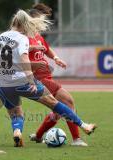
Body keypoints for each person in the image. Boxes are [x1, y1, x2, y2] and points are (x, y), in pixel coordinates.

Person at [0, 9, 96, 147]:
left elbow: (12, 51)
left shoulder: (2, 36)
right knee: (55, 103)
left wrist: (35, 48)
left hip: (2, 83)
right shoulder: (23, 38)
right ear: (25, 24)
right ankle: (83, 125)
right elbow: (24, 60)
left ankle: (17, 132)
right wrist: (31, 80)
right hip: (21, 80)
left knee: (16, 112)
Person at [28, 3, 88, 146]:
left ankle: (38, 136)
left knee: (58, 111)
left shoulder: (37, 36)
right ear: (33, 20)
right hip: (39, 79)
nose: (43, 24)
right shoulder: (24, 37)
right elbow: (19, 54)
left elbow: (47, 49)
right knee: (68, 102)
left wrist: (55, 58)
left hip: (46, 77)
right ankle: (76, 139)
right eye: (42, 20)